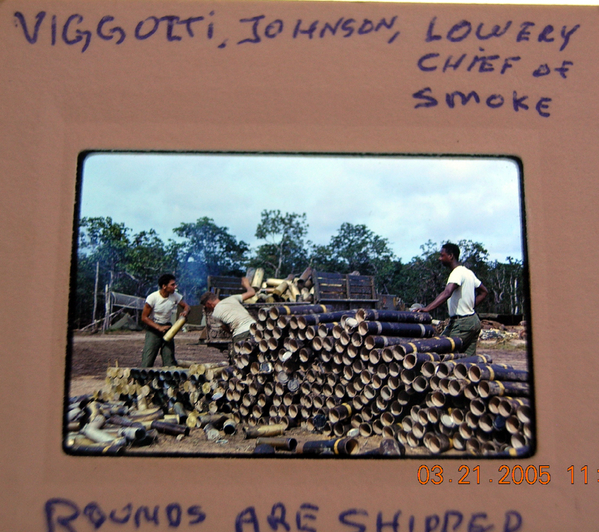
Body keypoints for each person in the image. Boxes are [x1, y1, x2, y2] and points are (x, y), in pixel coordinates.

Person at [414, 243, 488, 356]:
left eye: (442, 255)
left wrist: (427, 309)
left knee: (442, 351)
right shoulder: (468, 272)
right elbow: (484, 292)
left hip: (462, 323)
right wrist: (469, 306)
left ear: (451, 256)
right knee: (467, 360)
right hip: (473, 320)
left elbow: (447, 293)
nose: (440, 258)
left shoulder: (457, 273)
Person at [141, 273, 190, 367]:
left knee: (169, 360)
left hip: (167, 328)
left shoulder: (175, 295)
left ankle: (168, 380)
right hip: (153, 329)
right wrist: (158, 327)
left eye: (175, 284)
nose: (175, 287)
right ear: (164, 286)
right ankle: (143, 380)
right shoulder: (152, 298)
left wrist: (185, 312)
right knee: (148, 359)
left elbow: (186, 306)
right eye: (172, 285)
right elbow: (144, 318)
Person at [200, 277, 257, 358]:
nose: (208, 309)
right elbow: (252, 293)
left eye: (207, 307)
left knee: (237, 359)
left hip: (240, 333)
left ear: (209, 303)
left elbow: (226, 329)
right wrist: (246, 285)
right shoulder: (232, 298)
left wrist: (233, 333)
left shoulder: (215, 314)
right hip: (255, 328)